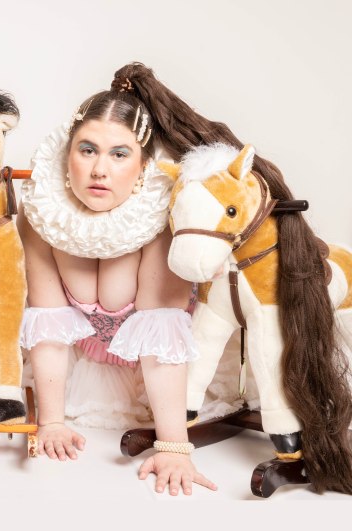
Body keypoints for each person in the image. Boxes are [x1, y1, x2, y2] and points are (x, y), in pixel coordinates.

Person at [17, 62, 268, 496]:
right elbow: (48, 327)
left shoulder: (159, 218)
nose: (99, 169)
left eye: (119, 154)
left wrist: (174, 447)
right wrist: (51, 422)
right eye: (87, 150)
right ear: (67, 153)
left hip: (162, 377)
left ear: (143, 163)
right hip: (83, 369)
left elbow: (161, 338)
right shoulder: (42, 212)